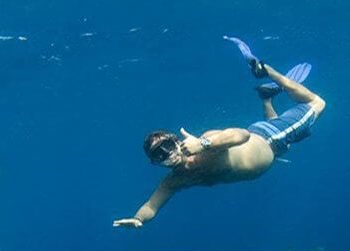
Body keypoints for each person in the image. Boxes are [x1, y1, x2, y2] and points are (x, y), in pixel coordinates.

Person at [113, 53, 326, 229]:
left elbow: (242, 135)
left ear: (177, 141)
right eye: (159, 154)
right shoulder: (174, 181)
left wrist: (204, 144)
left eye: (168, 146)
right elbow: (151, 205)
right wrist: (138, 219)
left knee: (317, 103)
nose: (168, 154)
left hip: (272, 137)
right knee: (284, 146)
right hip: (271, 150)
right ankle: (267, 98)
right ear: (155, 163)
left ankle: (270, 72)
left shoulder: (207, 143)